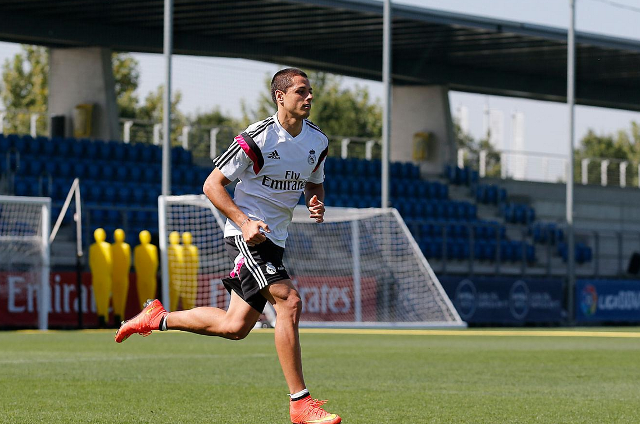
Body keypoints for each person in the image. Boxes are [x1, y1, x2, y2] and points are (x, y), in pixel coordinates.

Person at [115, 68, 341, 424]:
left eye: (311, 91)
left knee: (234, 327)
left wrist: (315, 201)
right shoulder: (256, 138)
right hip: (248, 235)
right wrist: (245, 222)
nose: (309, 97)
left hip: (276, 240)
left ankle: (156, 317)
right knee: (289, 301)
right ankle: (300, 404)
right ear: (280, 97)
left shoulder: (317, 142)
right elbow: (211, 185)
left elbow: (314, 183)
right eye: (301, 91)